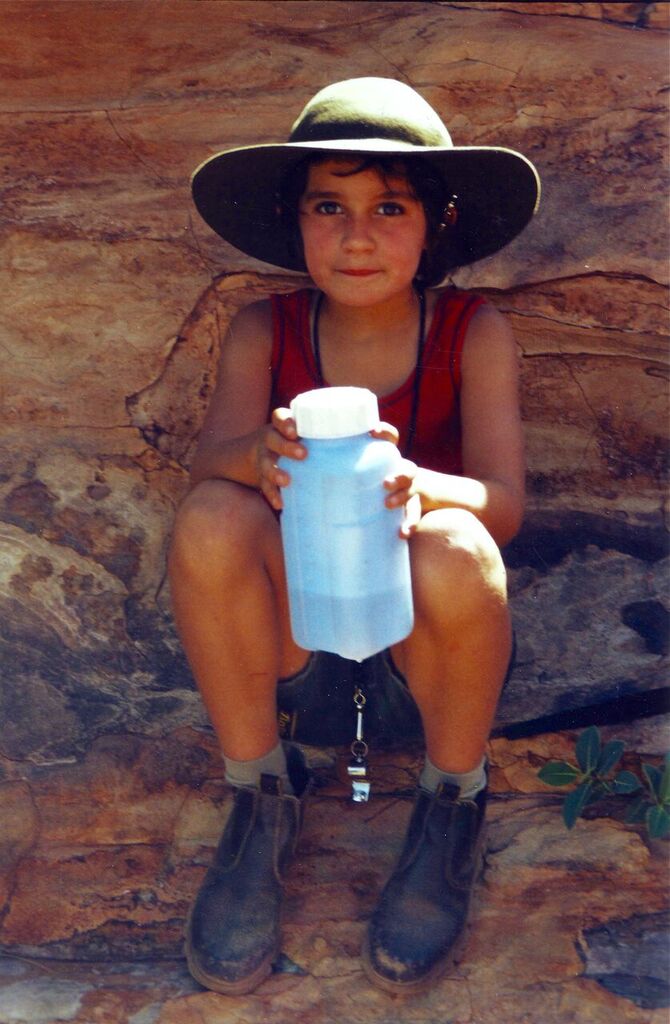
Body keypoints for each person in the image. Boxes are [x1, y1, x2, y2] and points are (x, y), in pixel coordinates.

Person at [169, 77, 540, 996]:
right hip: (303, 662)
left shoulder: (471, 333)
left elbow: (504, 500)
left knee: (460, 546)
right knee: (213, 516)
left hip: (420, 671)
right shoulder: (267, 328)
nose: (358, 235)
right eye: (329, 206)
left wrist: (422, 485)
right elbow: (208, 457)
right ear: (297, 222)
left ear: (437, 223)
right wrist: (254, 456)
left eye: (390, 207)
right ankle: (260, 795)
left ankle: (452, 802)